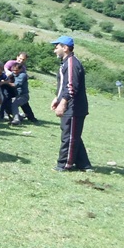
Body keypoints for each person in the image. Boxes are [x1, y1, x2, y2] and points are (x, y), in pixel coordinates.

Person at [50, 36, 92, 172]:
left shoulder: (72, 63)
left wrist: (63, 103)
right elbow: (64, 84)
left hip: (73, 107)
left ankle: (64, 165)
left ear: (65, 48)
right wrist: (57, 98)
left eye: (57, 47)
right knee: (73, 134)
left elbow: (71, 86)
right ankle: (84, 164)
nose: (54, 50)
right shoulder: (66, 63)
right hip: (69, 104)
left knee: (69, 137)